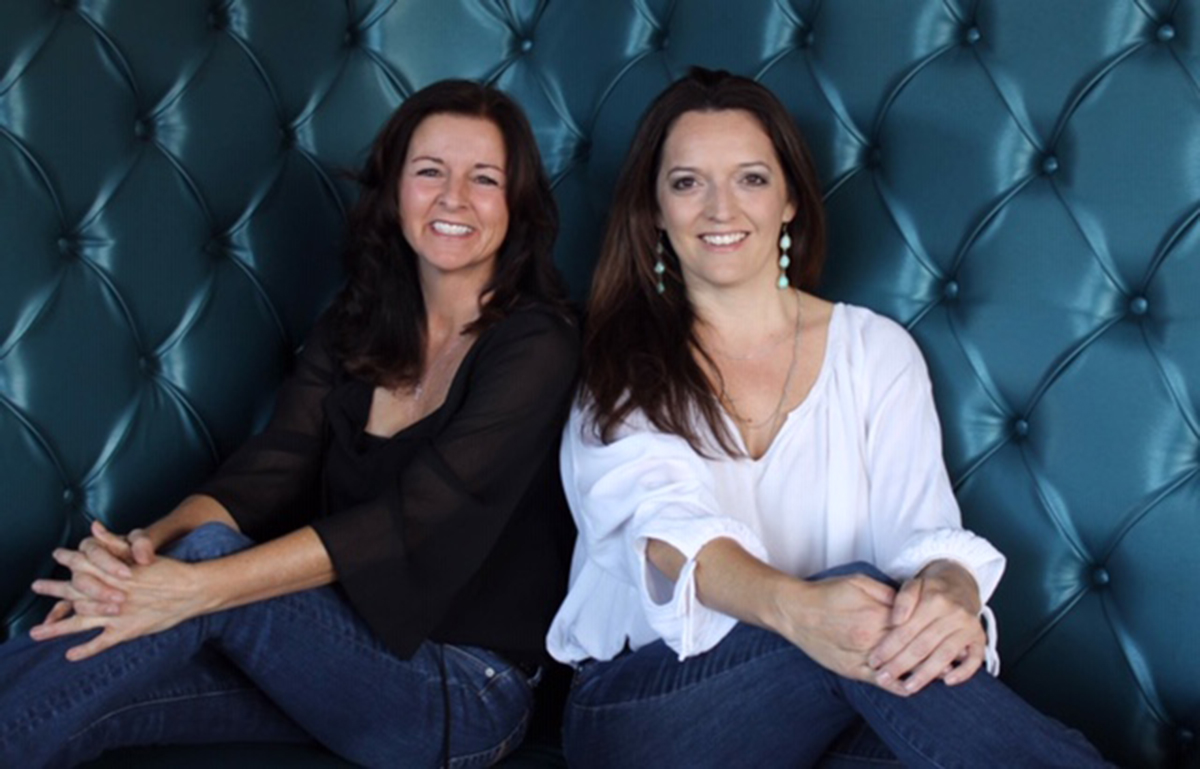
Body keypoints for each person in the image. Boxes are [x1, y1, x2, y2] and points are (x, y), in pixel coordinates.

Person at [0, 79, 579, 769]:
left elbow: (414, 518)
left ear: (514, 204)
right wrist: (139, 553)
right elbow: (268, 469)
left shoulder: (538, 343)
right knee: (95, 696)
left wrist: (197, 584)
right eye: (430, 171)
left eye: (484, 178)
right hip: (334, 655)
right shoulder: (356, 324)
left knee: (215, 558)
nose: (454, 196)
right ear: (395, 189)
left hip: (463, 692)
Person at [546, 68, 1112, 768]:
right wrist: (797, 611)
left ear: (789, 200)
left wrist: (950, 591)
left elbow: (922, 532)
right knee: (857, 621)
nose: (721, 208)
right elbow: (664, 534)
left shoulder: (876, 351)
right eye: (688, 182)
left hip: (836, 700)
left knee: (889, 674)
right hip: (648, 708)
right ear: (655, 210)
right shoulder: (621, 361)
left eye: (751, 178)